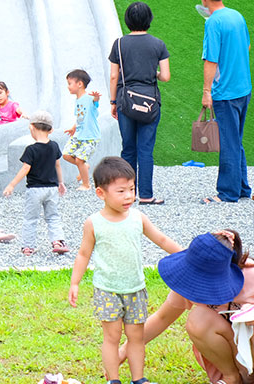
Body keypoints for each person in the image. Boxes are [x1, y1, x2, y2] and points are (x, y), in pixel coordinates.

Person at [68, 157, 180, 384]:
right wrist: (75, 282)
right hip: (107, 290)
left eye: (131, 189)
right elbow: (83, 254)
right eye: (121, 191)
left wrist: (187, 255)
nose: (129, 196)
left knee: (136, 337)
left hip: (135, 288)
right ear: (101, 193)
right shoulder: (93, 223)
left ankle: (139, 379)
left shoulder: (138, 217)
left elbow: (162, 239)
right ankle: (114, 380)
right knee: (111, 337)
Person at [136, 230, 254, 384]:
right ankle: (231, 378)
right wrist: (123, 352)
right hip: (234, 354)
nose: (198, 284)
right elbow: (161, 317)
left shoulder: (250, 275)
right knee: (198, 319)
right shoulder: (190, 282)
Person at [108, 0, 170, 205]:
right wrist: (154, 72)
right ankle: (146, 195)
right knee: (145, 150)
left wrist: (113, 101)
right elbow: (165, 76)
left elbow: (114, 76)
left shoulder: (119, 44)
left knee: (128, 148)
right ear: (149, 19)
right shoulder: (158, 44)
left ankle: (128, 194)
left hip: (125, 101)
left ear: (127, 20)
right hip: (150, 102)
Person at [199, 0, 251, 203]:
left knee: (228, 142)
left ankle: (228, 193)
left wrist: (207, 91)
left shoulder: (213, 23)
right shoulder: (237, 16)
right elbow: (247, 46)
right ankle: (242, 188)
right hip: (243, 88)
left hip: (225, 92)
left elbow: (211, 59)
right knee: (235, 139)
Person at [3, 110, 69, 256]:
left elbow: (25, 169)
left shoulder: (31, 149)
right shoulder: (54, 146)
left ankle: (28, 247)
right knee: (53, 216)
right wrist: (61, 182)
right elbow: (58, 165)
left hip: (34, 190)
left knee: (30, 219)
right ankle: (57, 241)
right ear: (51, 130)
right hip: (52, 189)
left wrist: (12, 185)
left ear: (31, 127)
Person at [64, 69, 101, 191]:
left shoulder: (89, 99)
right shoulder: (78, 101)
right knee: (66, 154)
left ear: (79, 84)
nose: (68, 86)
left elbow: (95, 102)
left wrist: (96, 98)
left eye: (70, 83)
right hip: (79, 134)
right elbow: (80, 118)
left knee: (79, 159)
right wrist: (73, 128)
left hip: (90, 136)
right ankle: (84, 166)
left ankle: (86, 184)